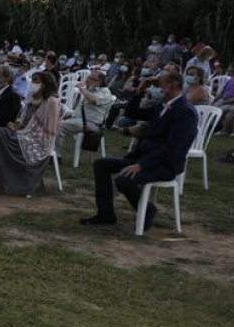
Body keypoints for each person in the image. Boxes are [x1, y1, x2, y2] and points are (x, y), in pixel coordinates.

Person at [81, 71, 198, 229]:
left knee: (123, 180)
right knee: (101, 164)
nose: (155, 87)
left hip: (164, 164)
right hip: (144, 158)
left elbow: (173, 148)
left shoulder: (184, 111)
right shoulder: (163, 106)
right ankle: (105, 213)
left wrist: (142, 165)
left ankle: (148, 210)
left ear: (173, 86)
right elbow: (132, 113)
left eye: (158, 84)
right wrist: (140, 90)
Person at [0, 72, 61, 195]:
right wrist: (14, 126)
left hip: (37, 141)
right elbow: (22, 121)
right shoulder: (31, 99)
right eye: (32, 80)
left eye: (36, 81)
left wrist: (25, 132)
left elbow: (50, 131)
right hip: (22, 133)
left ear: (43, 85)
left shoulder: (51, 101)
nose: (32, 83)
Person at [56, 69, 115, 155]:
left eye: (91, 78)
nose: (87, 80)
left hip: (91, 124)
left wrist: (83, 89)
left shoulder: (105, 92)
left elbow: (93, 100)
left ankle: (56, 155)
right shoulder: (91, 90)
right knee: (55, 118)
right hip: (81, 120)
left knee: (58, 126)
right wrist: (67, 113)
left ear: (99, 82)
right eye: (88, 77)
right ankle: (49, 150)